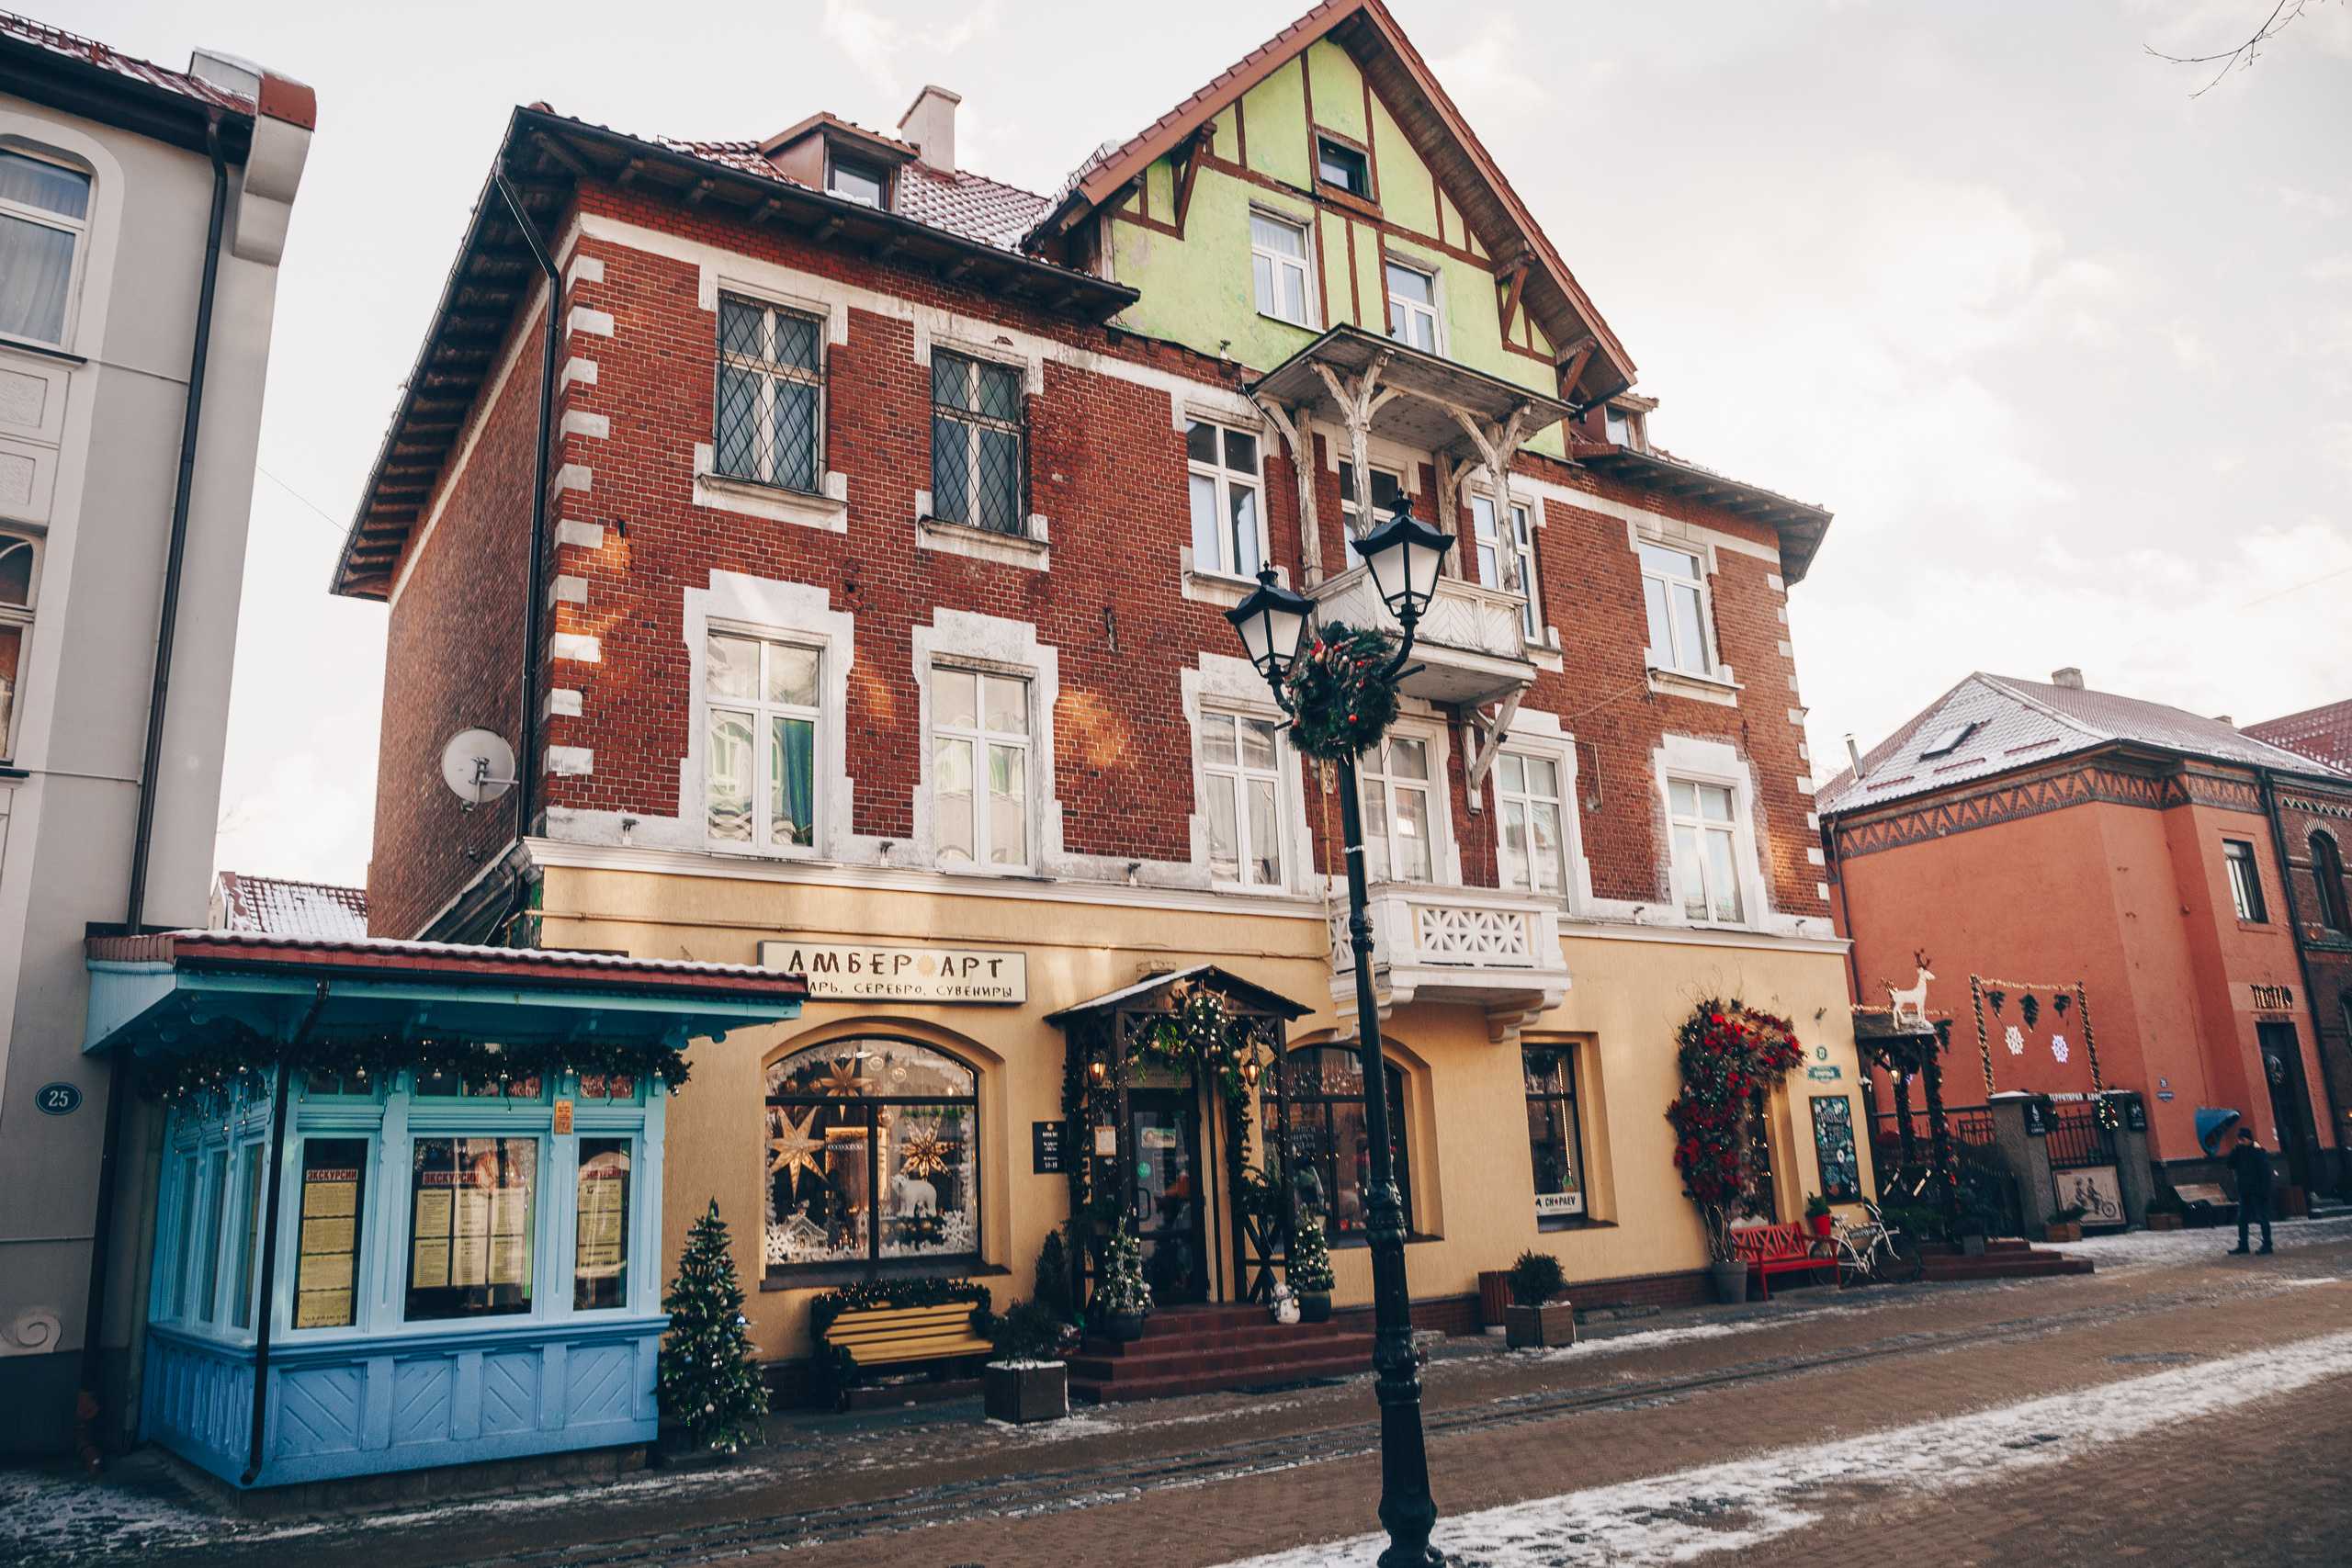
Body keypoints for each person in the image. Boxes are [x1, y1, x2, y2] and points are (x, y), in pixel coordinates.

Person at [2224, 1126, 2274, 1255]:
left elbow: (2265, 1174)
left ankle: (2267, 1244)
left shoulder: (2258, 1153)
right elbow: (2229, 1164)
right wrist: (2235, 1150)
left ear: (2249, 1139)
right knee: (2242, 1219)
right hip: (2244, 1191)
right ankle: (2243, 1245)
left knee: (2261, 1217)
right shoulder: (2240, 1153)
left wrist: (2264, 1192)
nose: (2241, 1142)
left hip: (2256, 1191)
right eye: (2239, 1140)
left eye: (2243, 1139)